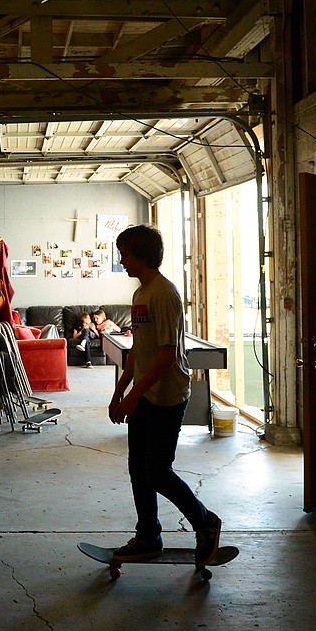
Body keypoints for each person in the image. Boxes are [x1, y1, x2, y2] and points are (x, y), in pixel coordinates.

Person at [108, 224, 221, 564]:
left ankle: (206, 522)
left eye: (125, 255)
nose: (122, 261)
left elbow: (166, 353)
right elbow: (139, 350)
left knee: (157, 471)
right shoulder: (140, 294)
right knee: (137, 469)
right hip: (144, 394)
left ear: (140, 255)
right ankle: (148, 535)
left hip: (167, 396)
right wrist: (119, 392)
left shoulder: (163, 294)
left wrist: (133, 394)